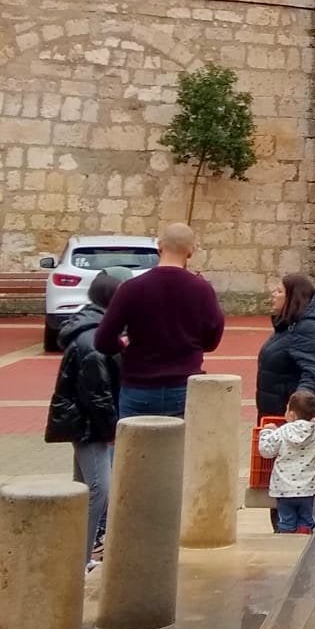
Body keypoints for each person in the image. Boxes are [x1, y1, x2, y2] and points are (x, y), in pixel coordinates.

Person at [93, 222, 224, 416]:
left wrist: (122, 344)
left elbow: (103, 341)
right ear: (191, 251)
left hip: (139, 386)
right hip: (184, 385)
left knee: (135, 445)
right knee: (179, 445)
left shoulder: (131, 288)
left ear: (159, 247)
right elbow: (212, 339)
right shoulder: (202, 289)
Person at [45, 271, 122, 566]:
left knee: (83, 486)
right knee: (99, 491)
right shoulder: (94, 340)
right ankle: (80, 556)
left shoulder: (89, 329)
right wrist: (110, 429)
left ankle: (77, 552)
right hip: (88, 425)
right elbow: (97, 394)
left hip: (80, 421)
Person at [255, 273, 315, 422]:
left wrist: (297, 408)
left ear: (292, 297)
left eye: (279, 292)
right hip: (279, 414)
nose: (274, 295)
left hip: (295, 420)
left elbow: (313, 371)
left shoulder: (308, 327)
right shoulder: (289, 325)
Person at [256, 388, 315, 535]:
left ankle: (286, 544)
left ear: (291, 414)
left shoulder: (281, 431)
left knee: (286, 521)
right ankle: (303, 544)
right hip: (308, 488)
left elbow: (266, 451)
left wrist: (267, 431)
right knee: (307, 520)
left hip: (284, 488)